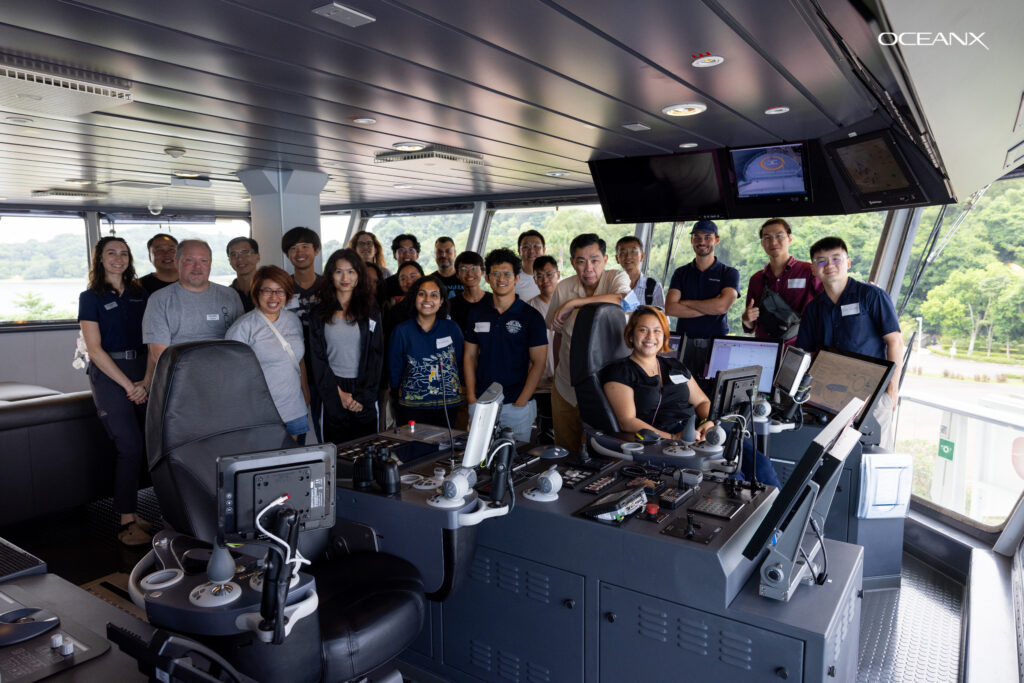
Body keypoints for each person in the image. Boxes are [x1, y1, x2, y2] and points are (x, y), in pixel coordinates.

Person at [78, 236, 153, 546]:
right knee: (129, 446)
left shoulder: (140, 293)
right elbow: (94, 350)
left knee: (155, 443)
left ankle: (150, 510)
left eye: (123, 253)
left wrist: (146, 381)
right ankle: (126, 521)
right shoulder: (90, 297)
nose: (118, 258)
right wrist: (129, 386)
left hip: (143, 372)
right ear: (100, 259)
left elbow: (153, 339)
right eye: (111, 253)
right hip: (110, 376)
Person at [796, 237, 904, 446]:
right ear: (813, 269)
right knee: (831, 460)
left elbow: (895, 342)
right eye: (821, 261)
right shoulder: (813, 309)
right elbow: (807, 354)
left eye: (836, 259)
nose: (829, 265)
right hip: (828, 400)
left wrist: (892, 391)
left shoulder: (872, 296)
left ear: (848, 262)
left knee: (871, 456)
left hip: (872, 397)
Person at [546, 234, 630, 451]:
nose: (588, 268)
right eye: (581, 261)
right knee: (564, 449)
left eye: (594, 260)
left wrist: (575, 303)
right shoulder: (563, 287)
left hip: (605, 385)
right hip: (566, 383)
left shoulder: (616, 277)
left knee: (603, 449)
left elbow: (628, 302)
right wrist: (557, 370)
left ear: (606, 259)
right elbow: (558, 333)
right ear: (573, 262)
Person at [464, 249, 548, 443]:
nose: (501, 278)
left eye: (507, 273)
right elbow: (469, 356)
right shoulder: (476, 313)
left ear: (517, 277)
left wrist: (522, 401)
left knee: (516, 462)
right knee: (479, 460)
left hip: (517, 404)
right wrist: (471, 398)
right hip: (481, 402)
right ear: (487, 278)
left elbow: (539, 362)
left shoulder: (531, 316)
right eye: (495, 274)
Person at [225, 266, 309, 442]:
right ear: (257, 292)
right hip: (261, 415)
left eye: (280, 291)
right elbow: (232, 376)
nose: (274, 297)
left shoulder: (293, 320)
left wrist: (305, 393)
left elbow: (298, 360)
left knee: (297, 464)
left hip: (295, 410)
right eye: (267, 291)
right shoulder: (243, 327)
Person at [309, 249, 383, 443]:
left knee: (366, 452)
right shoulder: (319, 313)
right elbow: (317, 358)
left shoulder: (371, 312)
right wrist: (337, 393)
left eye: (351, 271)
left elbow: (376, 356)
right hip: (333, 387)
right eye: (339, 271)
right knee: (337, 453)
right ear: (330, 276)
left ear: (359, 276)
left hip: (363, 388)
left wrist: (362, 397)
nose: (345, 277)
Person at [142, 239, 243, 373]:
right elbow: (159, 355)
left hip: (226, 374)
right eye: (189, 260)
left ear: (210, 264)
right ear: (177, 263)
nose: (197, 267)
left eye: (204, 260)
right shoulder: (160, 299)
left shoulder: (230, 295)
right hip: (182, 378)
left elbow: (241, 344)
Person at [388, 276, 463, 427]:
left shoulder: (452, 328)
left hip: (448, 407)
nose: (427, 299)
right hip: (411, 408)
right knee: (412, 448)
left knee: (445, 449)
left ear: (441, 301)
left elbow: (460, 361)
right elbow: (394, 371)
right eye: (422, 294)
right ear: (414, 298)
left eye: (434, 295)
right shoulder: (401, 331)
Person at [741, 218, 822, 344]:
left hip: (799, 349)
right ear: (762, 243)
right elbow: (751, 325)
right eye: (767, 237)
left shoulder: (809, 271)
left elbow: (828, 307)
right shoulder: (756, 279)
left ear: (789, 238)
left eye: (779, 236)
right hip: (765, 348)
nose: (773, 241)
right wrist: (747, 319)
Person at [665, 220, 740, 338]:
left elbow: (722, 307)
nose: (702, 242)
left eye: (707, 237)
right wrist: (712, 308)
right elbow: (670, 309)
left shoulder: (729, 273)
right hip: (684, 341)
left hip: (716, 343)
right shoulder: (680, 273)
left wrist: (685, 303)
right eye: (697, 237)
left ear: (717, 240)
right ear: (691, 240)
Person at [281, 226, 322, 437]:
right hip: (291, 368)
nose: (299, 253)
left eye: (305, 246)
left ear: (316, 250)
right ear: (287, 254)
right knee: (296, 432)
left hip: (324, 368)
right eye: (293, 248)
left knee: (323, 426)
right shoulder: (281, 288)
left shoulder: (328, 287)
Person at [615, 235, 665, 310]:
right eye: (623, 252)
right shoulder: (611, 284)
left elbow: (661, 318)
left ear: (642, 256)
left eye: (633, 251)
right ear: (617, 258)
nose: (628, 256)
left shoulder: (653, 287)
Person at [384, 261, 425, 334]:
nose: (409, 281)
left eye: (413, 276)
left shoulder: (432, 304)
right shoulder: (395, 312)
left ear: (422, 277)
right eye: (403, 279)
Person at [449, 251, 486, 332]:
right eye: (463, 269)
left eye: (474, 268)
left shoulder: (493, 301)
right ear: (457, 275)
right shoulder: (450, 305)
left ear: (482, 272)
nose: (469, 274)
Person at [226, 236, 260, 312]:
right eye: (234, 254)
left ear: (258, 257)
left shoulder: (270, 290)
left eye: (245, 253)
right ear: (229, 261)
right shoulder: (227, 294)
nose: (240, 259)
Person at [383, 234, 421, 300]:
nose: (407, 254)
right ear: (395, 255)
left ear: (417, 255)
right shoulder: (386, 285)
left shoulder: (425, 282)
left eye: (411, 250)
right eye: (402, 250)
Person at [515, 229, 545, 301]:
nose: (531, 251)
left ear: (543, 250)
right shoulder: (512, 279)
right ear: (519, 251)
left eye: (536, 246)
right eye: (526, 247)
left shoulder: (553, 278)